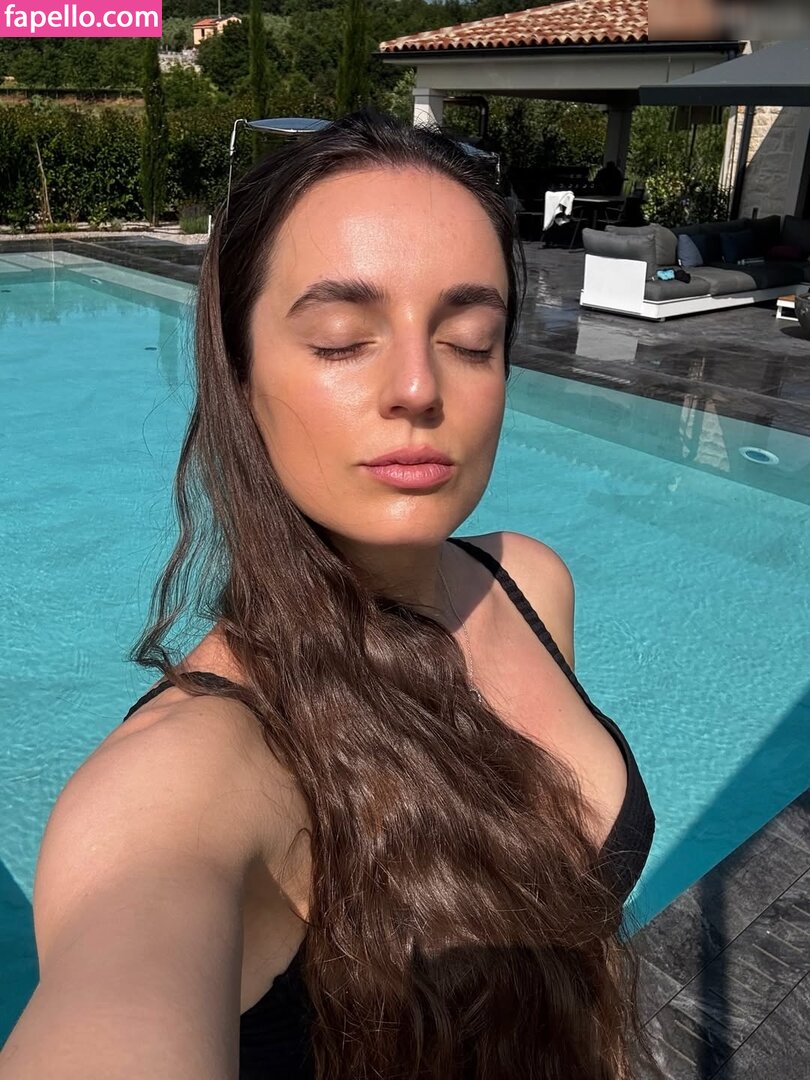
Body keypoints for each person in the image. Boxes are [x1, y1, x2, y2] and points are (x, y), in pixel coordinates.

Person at [0, 111, 656, 1080]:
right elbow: (124, 972)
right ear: (238, 374)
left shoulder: (526, 581)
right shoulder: (193, 774)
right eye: (343, 340)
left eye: (471, 339)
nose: (418, 387)